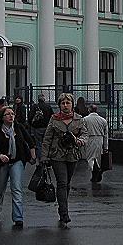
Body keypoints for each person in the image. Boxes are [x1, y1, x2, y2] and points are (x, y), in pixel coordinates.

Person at [41, 92, 86, 228]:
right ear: (59, 105)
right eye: (62, 103)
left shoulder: (79, 119)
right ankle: (64, 213)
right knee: (61, 182)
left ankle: (62, 206)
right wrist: (44, 156)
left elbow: (85, 134)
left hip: (73, 155)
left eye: (68, 103)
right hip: (57, 155)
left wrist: (80, 141)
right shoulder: (54, 119)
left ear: (72, 105)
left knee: (67, 184)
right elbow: (47, 139)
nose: (65, 105)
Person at [0, 105, 36, 227]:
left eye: (12, 114)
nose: (11, 116)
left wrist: (32, 156)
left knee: (17, 189)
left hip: (17, 161)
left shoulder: (18, 128)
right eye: (8, 114)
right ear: (2, 117)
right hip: (1, 163)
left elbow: (30, 141)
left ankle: (18, 218)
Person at [82, 104, 109, 184]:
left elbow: (82, 131)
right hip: (100, 139)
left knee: (90, 158)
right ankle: (96, 174)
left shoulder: (85, 119)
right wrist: (106, 146)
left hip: (89, 139)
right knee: (98, 159)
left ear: (89, 110)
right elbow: (106, 135)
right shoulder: (103, 120)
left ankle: (96, 172)